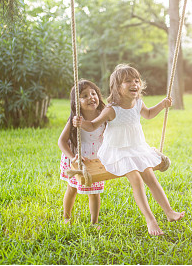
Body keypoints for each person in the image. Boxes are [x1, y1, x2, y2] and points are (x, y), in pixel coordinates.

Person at [74, 64, 185, 235]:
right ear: (117, 87)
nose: (134, 83)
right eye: (128, 81)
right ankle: (151, 220)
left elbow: (148, 114)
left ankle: (169, 212)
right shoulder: (112, 110)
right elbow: (93, 125)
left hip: (136, 148)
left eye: (136, 80)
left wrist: (162, 105)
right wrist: (81, 124)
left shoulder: (138, 103)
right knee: (137, 179)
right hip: (117, 151)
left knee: (151, 177)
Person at [58, 79, 106, 227]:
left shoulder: (103, 115)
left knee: (94, 192)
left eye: (93, 93)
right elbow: (62, 141)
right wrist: (73, 158)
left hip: (94, 159)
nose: (91, 97)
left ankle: (94, 222)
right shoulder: (76, 119)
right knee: (72, 188)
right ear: (76, 102)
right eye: (84, 95)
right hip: (77, 158)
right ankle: (66, 217)